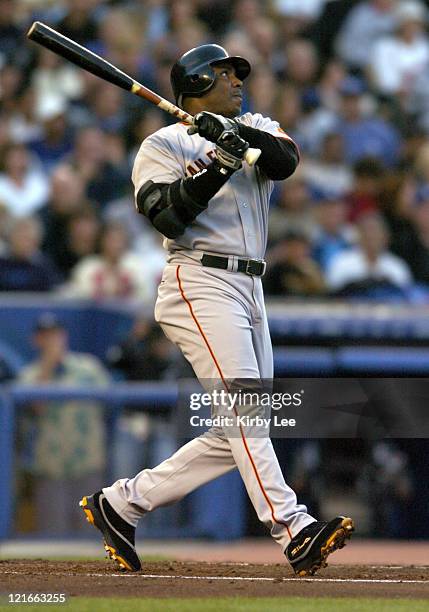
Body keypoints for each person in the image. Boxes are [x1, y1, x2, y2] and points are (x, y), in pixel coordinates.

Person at [80, 44, 354, 576]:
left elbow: (285, 161)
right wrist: (217, 166)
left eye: (237, 74)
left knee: (239, 430)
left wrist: (236, 138)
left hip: (251, 285)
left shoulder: (256, 123)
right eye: (226, 74)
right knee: (247, 413)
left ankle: (121, 504)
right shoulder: (161, 144)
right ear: (199, 79)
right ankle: (293, 528)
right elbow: (167, 217)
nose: (237, 81)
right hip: (198, 279)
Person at [19, 313, 109, 533]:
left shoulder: (89, 367)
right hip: (51, 467)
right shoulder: (29, 375)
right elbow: (35, 406)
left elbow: (111, 403)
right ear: (36, 340)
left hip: (88, 463)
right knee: (53, 537)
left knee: (92, 536)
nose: (52, 340)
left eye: (56, 334)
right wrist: (48, 365)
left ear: (65, 336)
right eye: (46, 336)